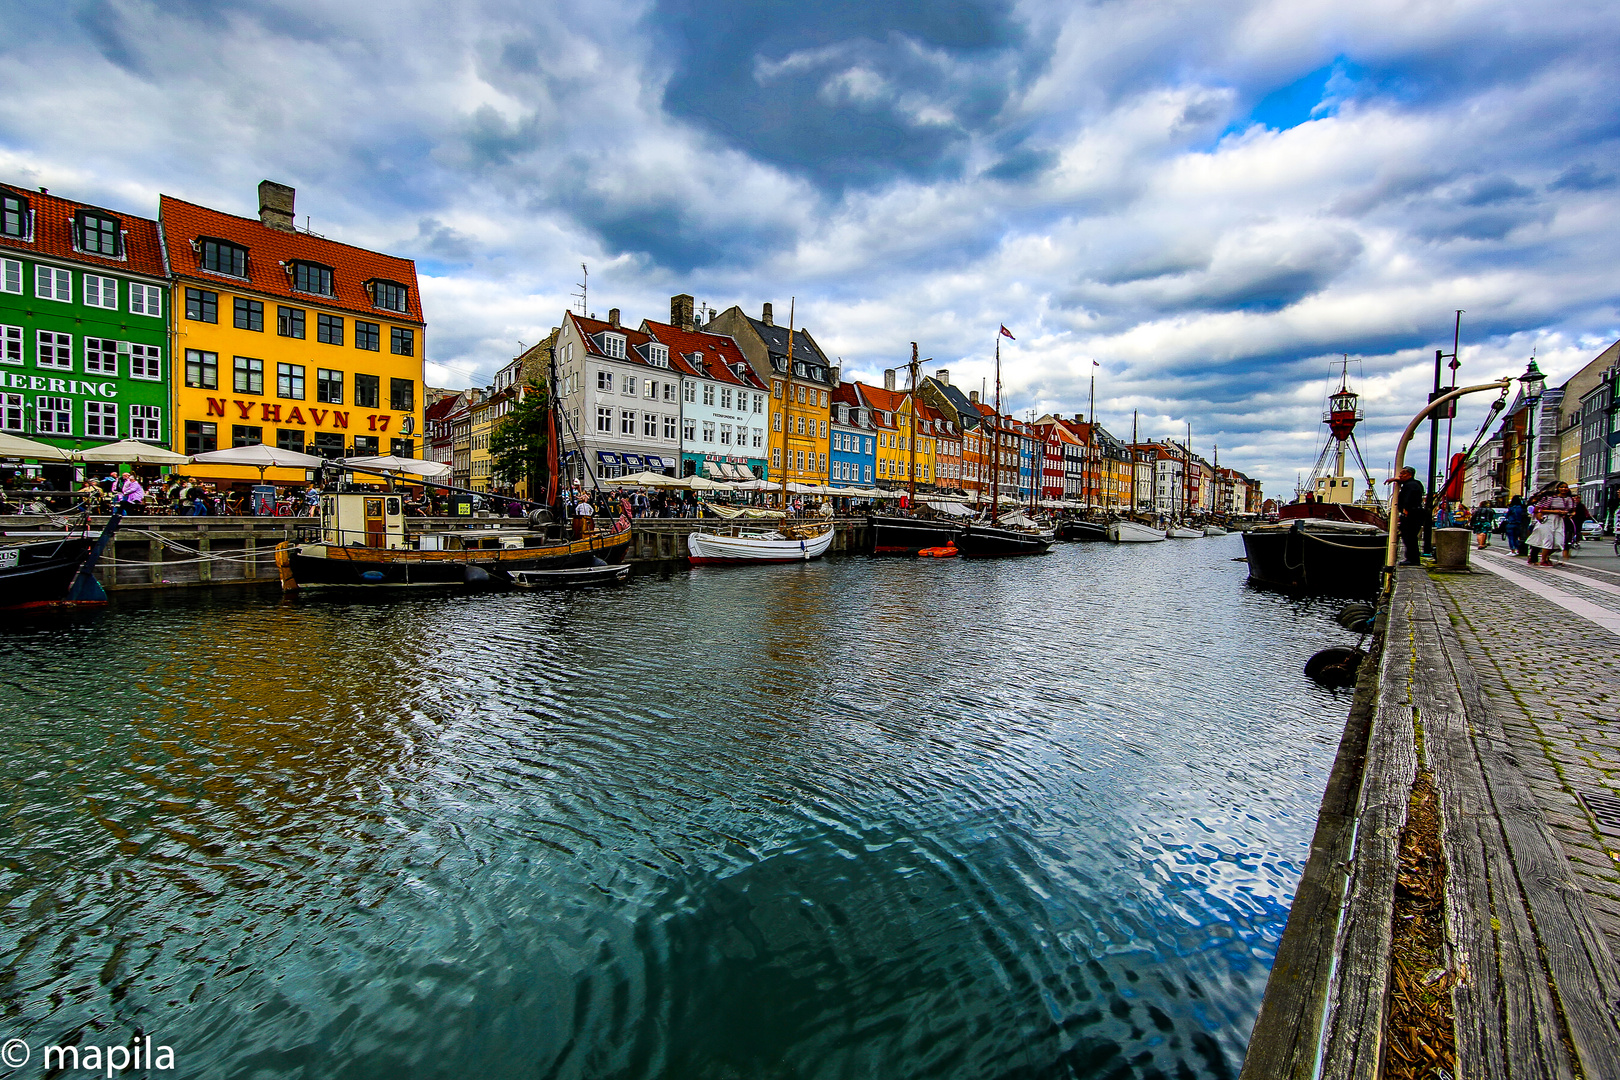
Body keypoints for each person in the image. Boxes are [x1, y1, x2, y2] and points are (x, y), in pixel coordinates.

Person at [1526, 483, 1576, 566]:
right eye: (1561, 487)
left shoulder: (1570, 499)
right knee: (1548, 540)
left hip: (1560, 520)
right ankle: (1543, 560)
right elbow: (1541, 510)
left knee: (1559, 542)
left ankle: (1546, 556)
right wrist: (1555, 511)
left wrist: (1570, 513)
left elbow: (1572, 510)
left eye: (1566, 487)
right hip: (1549, 519)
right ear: (1557, 488)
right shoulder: (1551, 498)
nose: (1564, 489)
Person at [1388, 466, 1425, 565]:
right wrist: (1396, 480)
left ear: (1409, 474)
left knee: (1409, 537)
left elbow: (1409, 498)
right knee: (1410, 537)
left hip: (1411, 514)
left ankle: (1412, 560)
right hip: (1415, 514)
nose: (1400, 475)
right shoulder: (1415, 484)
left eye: (1402, 474)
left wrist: (1406, 509)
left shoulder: (1410, 486)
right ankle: (1412, 559)